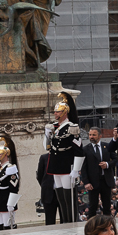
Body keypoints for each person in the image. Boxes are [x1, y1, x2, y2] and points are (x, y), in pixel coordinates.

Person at [45, 92, 84, 224]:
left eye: (58, 112)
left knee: (69, 197)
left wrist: (76, 169)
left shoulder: (71, 128)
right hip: (56, 165)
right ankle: (65, 221)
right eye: (55, 112)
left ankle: (71, 221)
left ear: (65, 112)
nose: (55, 114)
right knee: (61, 197)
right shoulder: (55, 127)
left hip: (66, 166)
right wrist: (47, 135)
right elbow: (47, 147)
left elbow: (79, 150)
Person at [82, 127, 116, 218]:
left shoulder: (107, 146)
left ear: (100, 136)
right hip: (92, 182)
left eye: (94, 135)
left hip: (106, 180)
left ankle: (108, 224)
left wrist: (107, 164)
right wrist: (86, 182)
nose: (91, 137)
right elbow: (83, 168)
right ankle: (91, 226)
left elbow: (116, 160)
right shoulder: (85, 149)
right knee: (93, 206)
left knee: (107, 205)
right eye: (90, 135)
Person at [0, 136, 20, 231]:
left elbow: (14, 187)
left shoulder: (10, 168)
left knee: (7, 224)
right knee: (0, 223)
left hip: (6, 198)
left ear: (5, 155)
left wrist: (11, 203)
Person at [36, 152, 61, 225]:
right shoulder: (44, 157)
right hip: (49, 192)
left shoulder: (65, 156)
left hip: (62, 191)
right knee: (49, 220)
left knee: (64, 218)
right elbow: (40, 175)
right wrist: (46, 185)